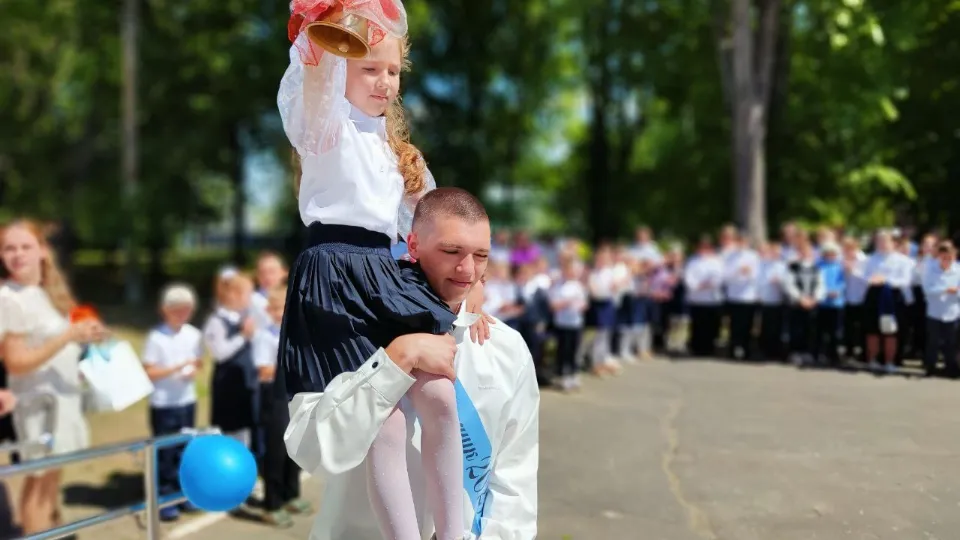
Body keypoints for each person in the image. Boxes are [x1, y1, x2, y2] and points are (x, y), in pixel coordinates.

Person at [279, 4, 488, 538]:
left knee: (440, 394)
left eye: (393, 71)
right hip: (334, 276)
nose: (384, 81)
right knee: (383, 423)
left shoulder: (399, 153)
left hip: (384, 273)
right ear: (343, 66)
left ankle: (454, 532)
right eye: (369, 68)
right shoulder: (323, 130)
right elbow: (309, 82)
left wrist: (475, 285)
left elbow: (440, 227)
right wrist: (324, 26)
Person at [285, 187, 538, 540]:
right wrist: (396, 360)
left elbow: (515, 481)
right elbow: (313, 452)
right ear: (413, 246)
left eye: (481, 255)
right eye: (451, 251)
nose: (467, 270)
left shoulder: (506, 349)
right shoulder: (351, 333)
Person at [0, 219, 104, 533]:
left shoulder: (44, 293)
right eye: (9, 248)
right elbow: (16, 362)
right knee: (39, 481)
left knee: (51, 482)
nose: (17, 254)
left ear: (42, 251)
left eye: (25, 246)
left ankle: (48, 533)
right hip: (38, 404)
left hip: (64, 400)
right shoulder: (8, 299)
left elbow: (59, 343)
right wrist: (67, 337)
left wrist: (85, 337)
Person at [141, 283, 203, 522]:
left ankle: (183, 493)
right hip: (163, 402)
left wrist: (193, 369)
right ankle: (165, 498)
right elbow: (149, 371)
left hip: (187, 400)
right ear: (164, 310)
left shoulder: (193, 334)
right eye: (176, 309)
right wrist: (175, 368)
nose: (182, 314)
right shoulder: (156, 337)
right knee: (165, 451)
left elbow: (198, 361)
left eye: (186, 309)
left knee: (185, 448)